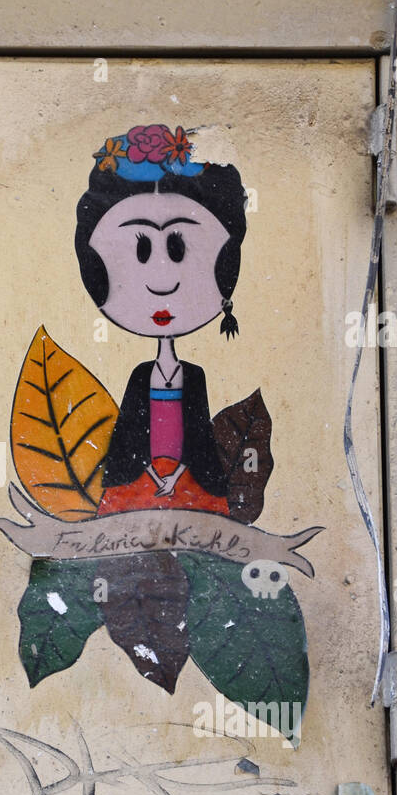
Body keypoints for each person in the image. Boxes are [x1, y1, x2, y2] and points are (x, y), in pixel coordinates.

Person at [74, 124, 247, 516]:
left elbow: (199, 435)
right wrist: (151, 474)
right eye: (138, 251)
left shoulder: (195, 376)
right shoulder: (140, 375)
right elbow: (129, 436)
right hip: (141, 479)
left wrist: (178, 475)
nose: (162, 281)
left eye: (180, 246)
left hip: (188, 483)